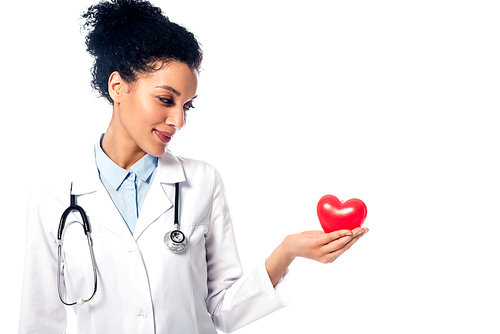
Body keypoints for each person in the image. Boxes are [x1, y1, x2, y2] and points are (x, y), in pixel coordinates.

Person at [19, 0, 369, 333]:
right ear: (118, 87)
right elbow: (39, 321)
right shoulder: (55, 194)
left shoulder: (202, 182)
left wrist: (287, 252)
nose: (178, 120)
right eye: (166, 100)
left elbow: (224, 311)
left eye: (188, 106)